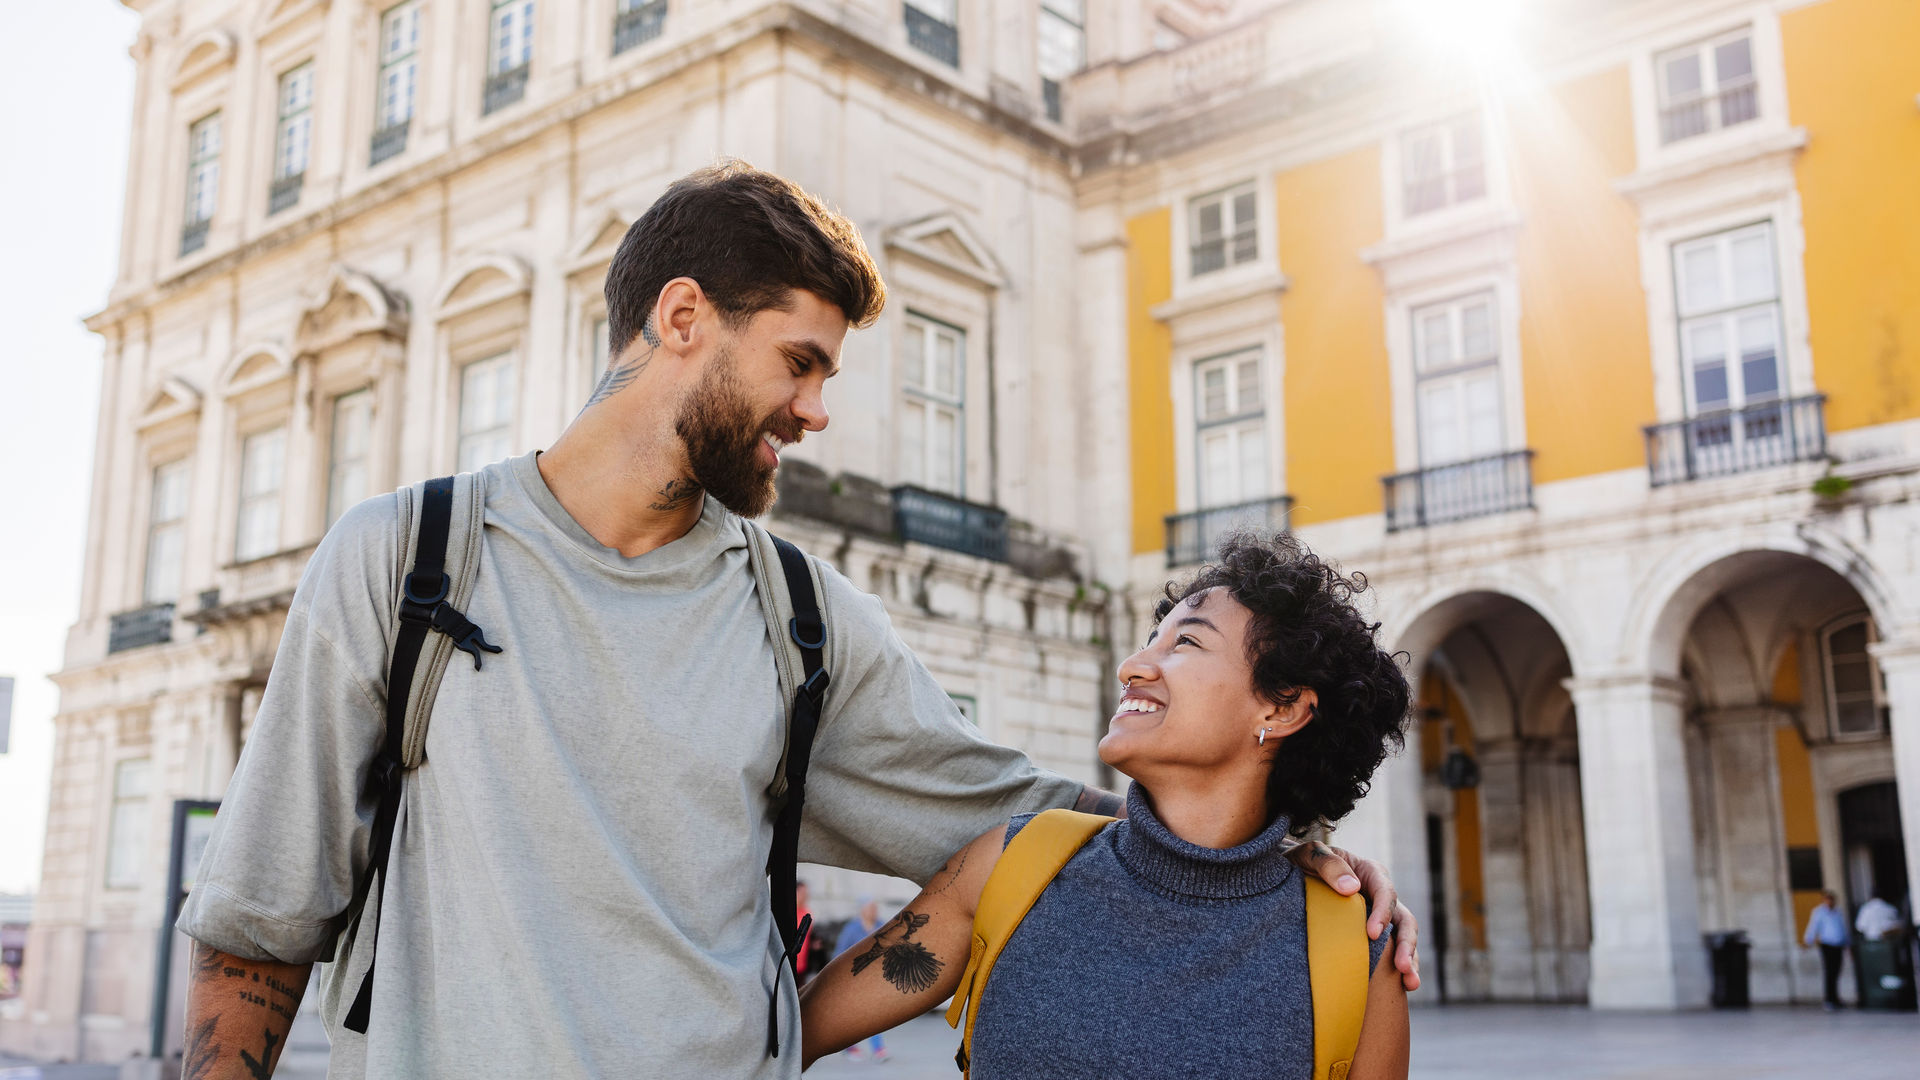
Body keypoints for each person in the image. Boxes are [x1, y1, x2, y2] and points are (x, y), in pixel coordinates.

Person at [173, 162, 1416, 1080]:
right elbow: (257, 927)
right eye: (800, 362)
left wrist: (1289, 848)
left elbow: (1020, 816)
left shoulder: (806, 622)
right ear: (682, 319)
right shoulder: (403, 559)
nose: (817, 411)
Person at [802, 534, 1413, 1079]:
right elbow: (785, 1043)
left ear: (1282, 708)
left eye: (1187, 642)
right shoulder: (1010, 862)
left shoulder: (1357, 948)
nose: (1132, 666)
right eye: (1151, 641)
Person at [832, 898, 889, 1062]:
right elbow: (839, 953)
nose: (873, 911)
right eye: (870, 907)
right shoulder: (852, 929)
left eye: (875, 907)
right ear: (862, 909)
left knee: (873, 1013)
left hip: (875, 979)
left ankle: (876, 1048)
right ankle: (854, 1047)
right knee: (857, 1014)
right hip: (853, 979)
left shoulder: (882, 926)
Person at [1803, 889, 1850, 1010]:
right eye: (1827, 899)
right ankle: (1829, 999)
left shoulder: (1838, 911)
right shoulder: (1819, 912)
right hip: (1827, 945)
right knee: (1829, 972)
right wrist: (1808, 940)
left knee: (1836, 971)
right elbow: (1813, 927)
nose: (1830, 901)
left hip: (1838, 945)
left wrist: (1847, 943)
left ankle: (1835, 998)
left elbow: (1843, 928)